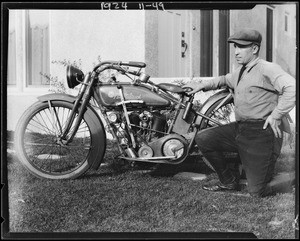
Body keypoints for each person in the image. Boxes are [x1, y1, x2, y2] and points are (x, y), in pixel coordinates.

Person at [184, 28, 296, 197]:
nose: (236, 52)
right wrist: (201, 85)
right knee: (204, 138)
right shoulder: (242, 70)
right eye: (235, 47)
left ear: (255, 49)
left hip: (262, 133)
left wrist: (276, 115)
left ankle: (293, 178)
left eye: (241, 47)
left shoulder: (267, 68)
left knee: (257, 191)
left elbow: (292, 88)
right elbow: (224, 79)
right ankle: (228, 181)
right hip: (241, 129)